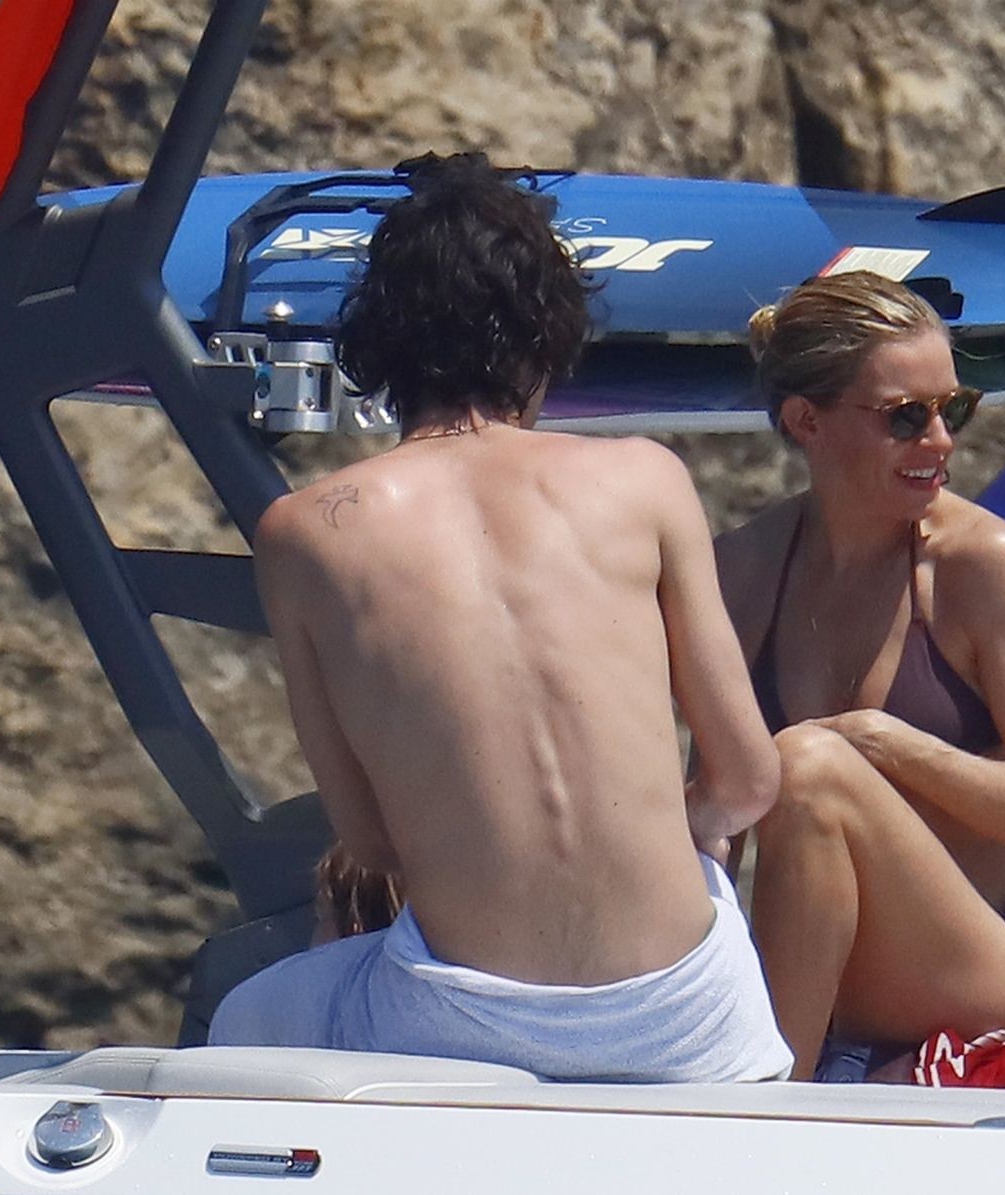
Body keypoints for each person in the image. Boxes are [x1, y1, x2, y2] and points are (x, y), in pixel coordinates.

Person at [209, 154, 792, 1084]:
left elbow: (373, 842)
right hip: (686, 1023)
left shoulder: (304, 534)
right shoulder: (645, 479)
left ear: (380, 339)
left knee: (246, 1015)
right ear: (545, 331)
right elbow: (748, 781)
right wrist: (671, 828)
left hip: (463, 1024)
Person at [713, 271, 1005, 1080]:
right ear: (806, 421)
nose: (942, 442)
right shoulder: (746, 568)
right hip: (835, 990)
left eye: (955, 408)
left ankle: (768, 1103)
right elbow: (716, 828)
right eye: (905, 417)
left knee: (810, 768)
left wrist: (882, 742)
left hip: (992, 973)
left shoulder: (983, 563)